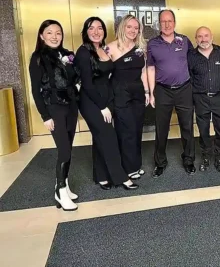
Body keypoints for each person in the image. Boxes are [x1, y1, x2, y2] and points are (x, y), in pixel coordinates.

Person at [75, 17, 138, 191]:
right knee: (109, 138)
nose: (96, 32)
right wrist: (102, 106)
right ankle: (120, 177)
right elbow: (87, 84)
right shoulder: (83, 52)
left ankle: (101, 176)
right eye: (91, 28)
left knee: (100, 137)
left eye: (100, 28)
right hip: (92, 102)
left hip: (106, 98)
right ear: (85, 32)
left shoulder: (102, 49)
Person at [29, 20, 80, 211]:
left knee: (69, 148)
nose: (54, 36)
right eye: (49, 33)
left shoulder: (68, 55)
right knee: (64, 150)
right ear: (42, 36)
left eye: (58, 32)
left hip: (71, 106)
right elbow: (35, 90)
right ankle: (59, 190)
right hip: (54, 108)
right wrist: (45, 116)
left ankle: (64, 185)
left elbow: (76, 76)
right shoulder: (38, 58)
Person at [147, 9, 196, 177]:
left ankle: (189, 160)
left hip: (184, 89)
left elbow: (193, 62)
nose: (167, 24)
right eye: (163, 21)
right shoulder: (152, 44)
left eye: (169, 21)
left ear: (174, 23)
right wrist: (151, 92)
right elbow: (151, 68)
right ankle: (160, 162)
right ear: (158, 24)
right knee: (161, 128)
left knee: (187, 127)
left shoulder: (185, 41)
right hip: (162, 90)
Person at [106, 15, 148, 180]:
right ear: (122, 27)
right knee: (126, 131)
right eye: (129, 27)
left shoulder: (140, 48)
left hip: (138, 94)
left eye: (136, 28)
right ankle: (127, 167)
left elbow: (143, 71)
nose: (132, 30)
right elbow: (101, 71)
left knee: (137, 130)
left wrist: (146, 92)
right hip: (121, 95)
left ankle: (135, 165)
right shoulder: (110, 48)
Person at [188, 26, 220, 173]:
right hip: (200, 98)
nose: (203, 39)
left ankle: (219, 158)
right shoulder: (191, 56)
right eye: (200, 36)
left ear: (212, 37)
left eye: (206, 36)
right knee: (203, 130)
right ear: (195, 39)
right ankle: (206, 157)